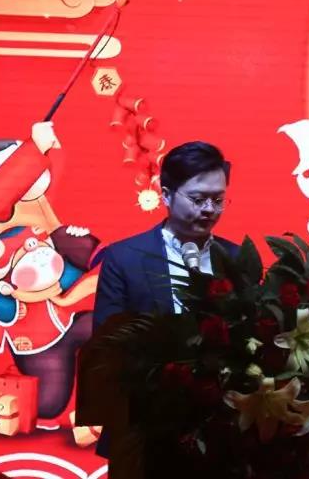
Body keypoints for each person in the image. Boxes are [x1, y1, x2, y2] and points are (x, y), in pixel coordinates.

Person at [78, 141, 241, 478]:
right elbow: (108, 347)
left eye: (218, 199)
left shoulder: (237, 259)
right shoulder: (124, 258)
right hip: (144, 436)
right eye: (198, 199)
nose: (209, 209)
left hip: (224, 436)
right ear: (166, 196)